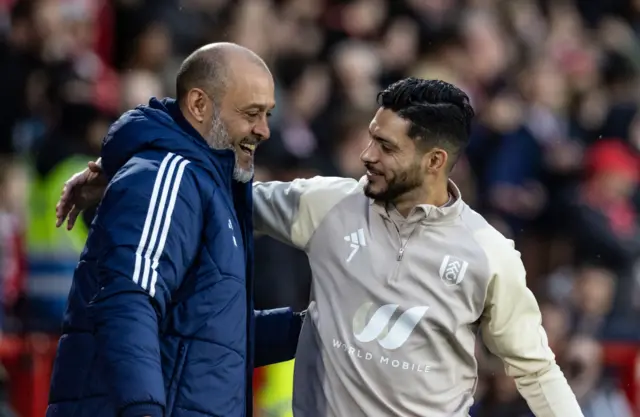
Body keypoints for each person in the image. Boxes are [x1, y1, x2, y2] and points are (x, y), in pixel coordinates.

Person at [57, 78, 583, 416]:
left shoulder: (489, 253)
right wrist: (122, 176)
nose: (365, 154)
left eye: (385, 145)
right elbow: (211, 198)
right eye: (370, 136)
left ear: (435, 162)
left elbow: (535, 369)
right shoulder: (327, 204)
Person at [47, 43, 304, 417]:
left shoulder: (209, 186)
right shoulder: (169, 175)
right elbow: (127, 298)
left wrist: (308, 329)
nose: (264, 130)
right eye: (251, 113)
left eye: (268, 114)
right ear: (199, 105)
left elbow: (209, 336)